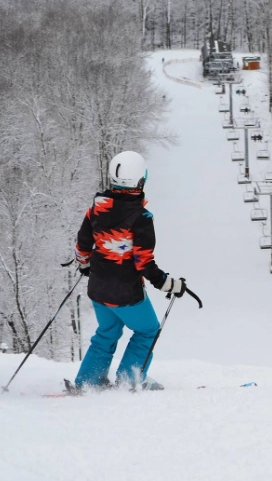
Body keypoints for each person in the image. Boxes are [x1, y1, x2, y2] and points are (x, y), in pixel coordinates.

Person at [73, 151, 187, 392]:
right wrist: (168, 284)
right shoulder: (141, 217)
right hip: (125, 292)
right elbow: (143, 262)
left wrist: (85, 264)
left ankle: (88, 382)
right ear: (140, 180)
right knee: (148, 330)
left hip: (98, 288)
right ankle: (129, 380)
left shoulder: (96, 209)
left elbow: (83, 244)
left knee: (107, 332)